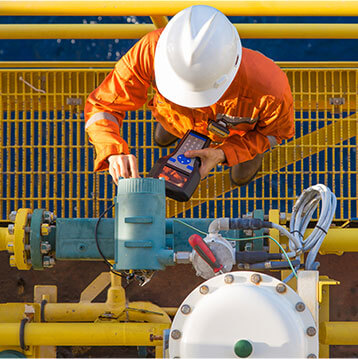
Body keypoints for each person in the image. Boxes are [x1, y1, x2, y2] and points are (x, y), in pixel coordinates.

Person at [85, 5, 294, 187]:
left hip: (235, 137)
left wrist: (224, 153)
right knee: (163, 136)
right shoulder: (151, 50)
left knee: (242, 173)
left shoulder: (270, 89)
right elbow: (102, 106)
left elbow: (275, 134)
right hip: (172, 119)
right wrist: (112, 151)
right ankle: (169, 134)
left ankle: (236, 169)